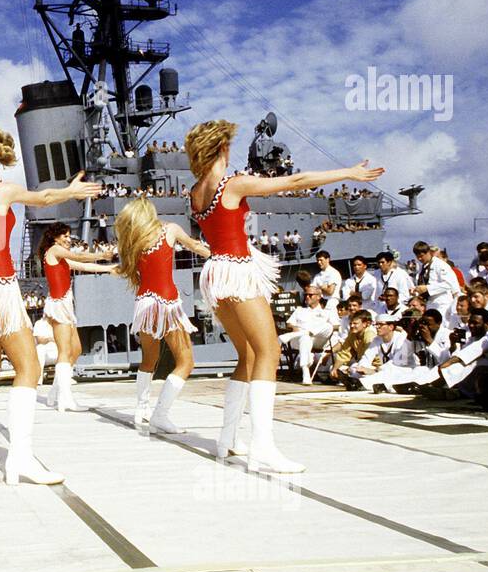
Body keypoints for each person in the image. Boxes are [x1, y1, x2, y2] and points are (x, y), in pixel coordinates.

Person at [186, 119, 383, 472]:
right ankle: (262, 447)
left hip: (216, 272)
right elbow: (294, 181)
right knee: (269, 351)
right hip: (238, 271)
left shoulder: (196, 190)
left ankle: (227, 440)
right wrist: (348, 173)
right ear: (223, 148)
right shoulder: (231, 184)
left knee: (247, 355)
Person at [0, 122, 103, 483]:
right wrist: (71, 191)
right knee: (29, 367)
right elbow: (43, 199)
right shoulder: (1, 189)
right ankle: (20, 459)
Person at [114, 198, 210, 431]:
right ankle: (161, 414)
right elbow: (196, 247)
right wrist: (220, 257)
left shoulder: (133, 241)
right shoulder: (169, 229)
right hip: (166, 303)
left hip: (144, 304)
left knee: (149, 360)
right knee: (186, 362)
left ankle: (141, 409)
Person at [38, 223, 119, 411]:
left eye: (69, 236)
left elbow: (83, 265)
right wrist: (102, 255)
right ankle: (65, 400)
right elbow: (79, 256)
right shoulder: (54, 251)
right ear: (55, 237)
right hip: (58, 305)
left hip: (66, 304)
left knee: (75, 349)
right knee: (65, 351)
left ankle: (53, 393)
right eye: (64, 236)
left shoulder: (61, 258)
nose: (68, 239)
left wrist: (110, 268)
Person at [279, 283, 340, 384]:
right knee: (305, 338)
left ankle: (304, 333)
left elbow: (336, 326)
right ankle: (305, 372)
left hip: (319, 340)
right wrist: (294, 327)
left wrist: (312, 330)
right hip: (299, 341)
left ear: (319, 297)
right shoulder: (299, 310)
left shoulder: (327, 312)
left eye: (310, 295)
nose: (307, 297)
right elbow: (289, 324)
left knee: (328, 326)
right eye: (306, 294)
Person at [411, 241, 460, 319]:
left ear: (428, 252)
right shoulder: (421, 268)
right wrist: (416, 290)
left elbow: (448, 284)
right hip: (429, 303)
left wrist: (427, 288)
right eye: (417, 257)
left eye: (422, 256)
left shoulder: (440, 265)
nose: (420, 259)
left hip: (442, 304)